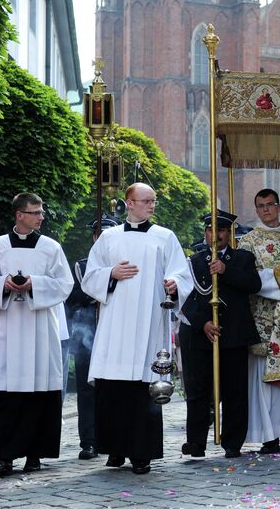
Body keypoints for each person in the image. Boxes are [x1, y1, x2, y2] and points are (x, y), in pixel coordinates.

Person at [81, 183, 193, 474]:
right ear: (129, 203)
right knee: (113, 387)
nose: (151, 205)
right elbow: (90, 276)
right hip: (115, 321)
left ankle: (141, 452)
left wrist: (174, 285)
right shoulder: (108, 238)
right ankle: (115, 449)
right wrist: (111, 274)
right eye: (145, 201)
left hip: (149, 321)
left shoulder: (165, 237)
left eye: (153, 201)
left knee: (145, 388)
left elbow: (182, 274)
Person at [0, 193, 73, 476]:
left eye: (41, 212)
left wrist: (34, 284)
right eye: (36, 212)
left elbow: (64, 283)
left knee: (40, 393)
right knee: (9, 394)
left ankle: (34, 454)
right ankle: (4, 455)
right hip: (9, 328)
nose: (41, 216)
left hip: (41, 327)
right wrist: (5, 284)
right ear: (19, 214)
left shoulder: (51, 247)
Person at [180, 210, 261, 459]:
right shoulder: (193, 262)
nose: (216, 235)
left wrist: (226, 270)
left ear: (229, 233)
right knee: (199, 391)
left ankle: (232, 442)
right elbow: (184, 299)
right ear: (205, 233)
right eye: (211, 230)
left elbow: (253, 285)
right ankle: (196, 442)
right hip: (201, 335)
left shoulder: (242, 258)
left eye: (222, 231)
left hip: (233, 335)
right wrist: (202, 322)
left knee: (235, 391)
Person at [237, 189, 280, 454]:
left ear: (279, 207)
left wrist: (276, 279)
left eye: (269, 205)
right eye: (260, 206)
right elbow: (248, 279)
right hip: (260, 318)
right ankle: (267, 435)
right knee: (261, 380)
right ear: (256, 211)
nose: (265, 210)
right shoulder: (249, 242)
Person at [65, 214, 121, 461]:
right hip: (88, 332)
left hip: (116, 334)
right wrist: (95, 293)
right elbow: (72, 297)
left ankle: (113, 440)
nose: (101, 239)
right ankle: (89, 441)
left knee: (115, 389)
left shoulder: (125, 264)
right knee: (86, 391)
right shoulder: (81, 266)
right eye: (98, 234)